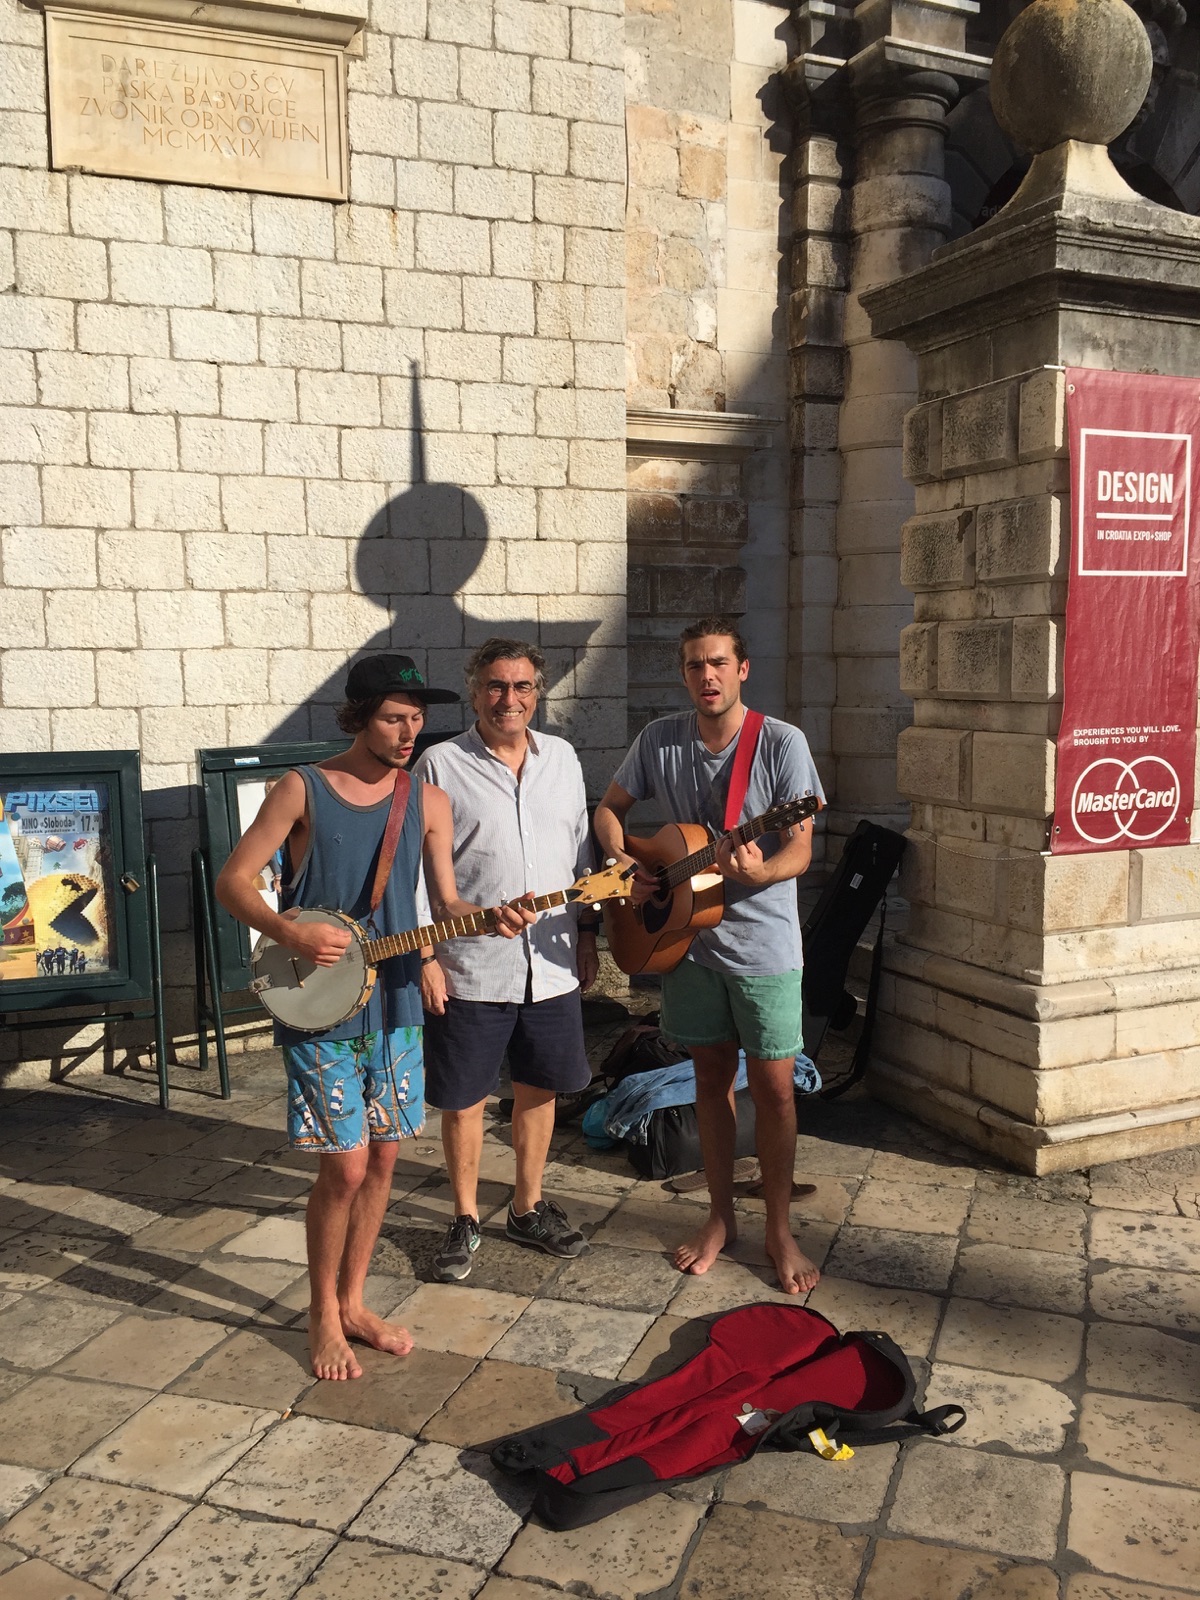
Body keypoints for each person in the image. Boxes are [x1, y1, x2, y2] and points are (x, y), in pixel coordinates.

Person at [216, 654, 533, 1380]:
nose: (409, 732)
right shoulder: (302, 789)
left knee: (386, 1155)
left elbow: (446, 905)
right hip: (318, 1003)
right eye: (395, 717)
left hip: (393, 998)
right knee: (347, 1164)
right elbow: (234, 881)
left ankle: (355, 1301)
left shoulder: (424, 799)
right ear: (359, 716)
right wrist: (292, 932)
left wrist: (487, 919)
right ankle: (322, 1314)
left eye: (417, 719)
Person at [593, 617, 824, 1295]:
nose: (707, 677)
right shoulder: (660, 739)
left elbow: (801, 847)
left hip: (763, 946)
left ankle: (778, 1230)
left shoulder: (781, 744)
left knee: (776, 1088)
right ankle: (719, 1217)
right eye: (695, 666)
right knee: (708, 1083)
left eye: (719, 663)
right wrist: (621, 861)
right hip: (687, 944)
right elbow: (610, 809)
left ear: (742, 668)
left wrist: (760, 873)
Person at [414, 637, 598, 1283]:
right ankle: (464, 1215)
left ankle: (526, 1205)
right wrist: (425, 957)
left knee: (538, 1089)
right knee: (463, 1099)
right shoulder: (440, 764)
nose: (509, 699)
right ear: (474, 691)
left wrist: (588, 936)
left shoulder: (565, 760)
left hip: (549, 963)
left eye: (521, 687)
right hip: (471, 965)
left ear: (537, 693)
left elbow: (580, 861)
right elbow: (416, 874)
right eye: (496, 685)